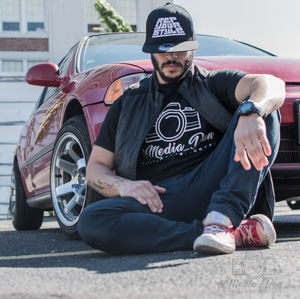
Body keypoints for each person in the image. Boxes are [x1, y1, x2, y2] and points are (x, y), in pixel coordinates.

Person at [78, 3, 285, 255]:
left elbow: (270, 85)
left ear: (192, 47)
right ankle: (226, 234)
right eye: (162, 50)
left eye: (178, 49)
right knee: (91, 221)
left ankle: (223, 218)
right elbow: (94, 168)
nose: (170, 57)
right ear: (151, 52)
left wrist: (251, 111)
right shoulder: (128, 102)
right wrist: (124, 186)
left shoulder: (211, 84)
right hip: (161, 198)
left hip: (213, 184)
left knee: (265, 110)